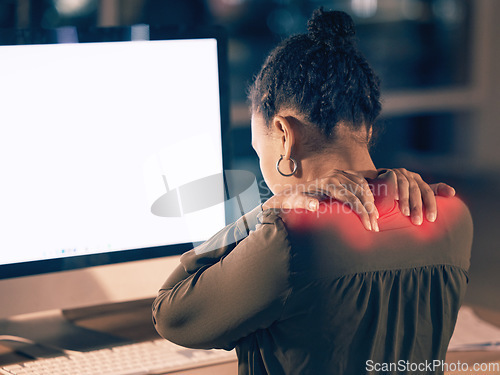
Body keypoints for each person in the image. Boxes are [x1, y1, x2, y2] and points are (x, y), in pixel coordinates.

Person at [152, 9, 472, 375]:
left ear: (285, 136)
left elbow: (171, 313)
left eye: (261, 149)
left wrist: (267, 210)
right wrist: (384, 178)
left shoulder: (291, 236)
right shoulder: (450, 215)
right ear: (366, 127)